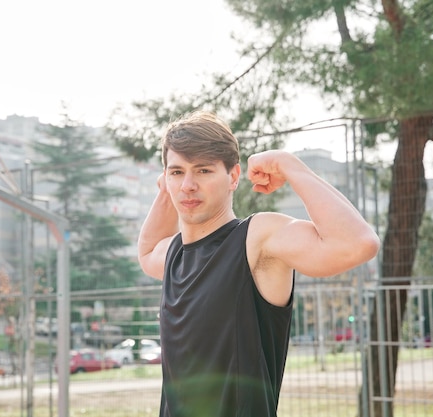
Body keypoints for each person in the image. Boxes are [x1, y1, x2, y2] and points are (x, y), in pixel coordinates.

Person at [137, 111, 380, 417]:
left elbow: (358, 244)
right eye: (177, 172)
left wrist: (288, 164)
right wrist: (165, 188)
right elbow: (146, 253)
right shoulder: (174, 253)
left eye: (203, 171)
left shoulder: (256, 239)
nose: (188, 185)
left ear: (233, 177)